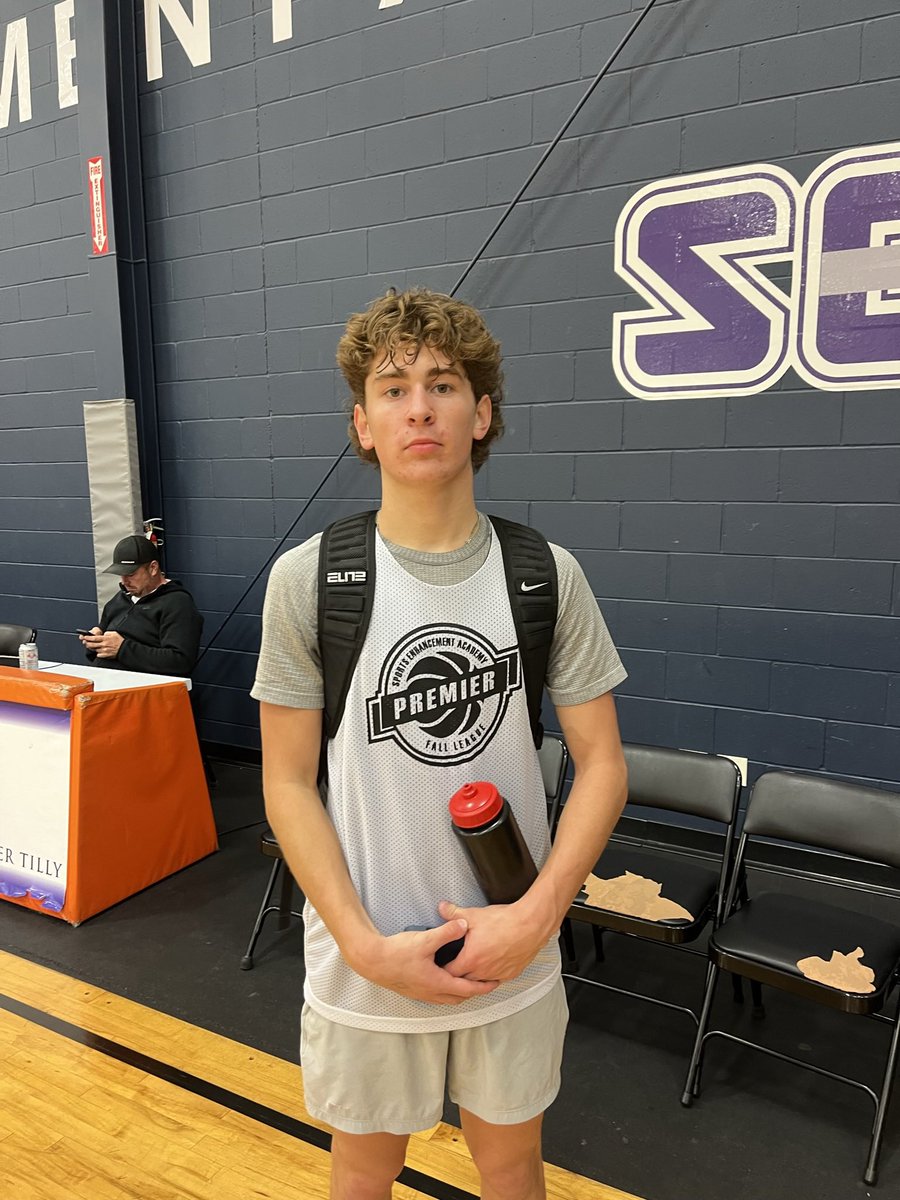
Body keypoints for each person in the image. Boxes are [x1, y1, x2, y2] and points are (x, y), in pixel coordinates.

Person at [251, 288, 629, 1200]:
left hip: (512, 951)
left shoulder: (545, 575)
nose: (419, 407)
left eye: (443, 384)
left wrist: (537, 918)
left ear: (481, 412)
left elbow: (603, 765)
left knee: (511, 1165)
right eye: (393, 389)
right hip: (369, 960)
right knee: (363, 1170)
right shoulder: (309, 580)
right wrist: (362, 944)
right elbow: (288, 784)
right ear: (364, 424)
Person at [79, 533, 203, 677]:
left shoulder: (177, 603)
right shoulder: (119, 599)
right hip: (104, 680)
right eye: (121, 574)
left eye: (131, 574)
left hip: (144, 687)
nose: (125, 581)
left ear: (153, 568)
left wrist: (123, 649)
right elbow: (100, 648)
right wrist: (95, 642)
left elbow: (180, 661)